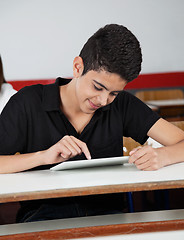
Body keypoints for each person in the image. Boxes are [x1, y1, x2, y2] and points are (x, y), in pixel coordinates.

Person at [0, 24, 184, 222]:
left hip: (108, 217)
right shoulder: (28, 102)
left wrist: (163, 156)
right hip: (43, 218)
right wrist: (42, 156)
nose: (104, 101)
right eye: (98, 87)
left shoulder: (122, 105)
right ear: (78, 67)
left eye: (114, 93)